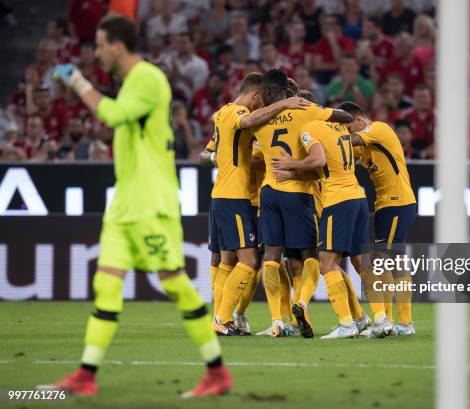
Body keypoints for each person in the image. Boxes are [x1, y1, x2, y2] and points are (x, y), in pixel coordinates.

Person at [42, 14, 231, 397]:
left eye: (99, 45)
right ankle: (86, 374)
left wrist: (77, 81)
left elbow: (112, 114)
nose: (96, 52)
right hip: (124, 206)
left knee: (175, 284)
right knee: (105, 283)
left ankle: (216, 371)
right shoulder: (132, 82)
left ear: (117, 45)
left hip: (150, 204)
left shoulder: (147, 78)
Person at [204, 72, 311, 335]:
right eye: (261, 99)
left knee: (240, 261)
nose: (262, 104)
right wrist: (284, 104)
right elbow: (247, 121)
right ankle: (222, 317)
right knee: (246, 261)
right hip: (234, 196)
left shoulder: (227, 114)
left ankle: (228, 318)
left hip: (232, 195)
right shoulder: (235, 111)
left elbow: (213, 147)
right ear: (254, 94)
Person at [250, 69, 352, 337]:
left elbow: (246, 123)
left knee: (272, 255)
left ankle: (277, 322)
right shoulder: (306, 110)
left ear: (270, 92)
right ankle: (301, 304)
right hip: (298, 191)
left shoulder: (260, 120)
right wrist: (316, 109)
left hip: (269, 191)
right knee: (308, 256)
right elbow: (346, 117)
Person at [270, 115, 367, 339]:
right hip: (355, 197)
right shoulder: (337, 129)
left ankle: (346, 322)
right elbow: (323, 169)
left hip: (336, 200)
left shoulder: (309, 127)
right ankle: (370, 317)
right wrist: (293, 172)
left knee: (326, 262)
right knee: (349, 262)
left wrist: (290, 163)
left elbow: (318, 161)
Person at [339, 101, 418, 337]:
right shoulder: (365, 144)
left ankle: (397, 322)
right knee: (394, 258)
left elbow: (349, 142)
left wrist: (329, 134)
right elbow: (342, 153)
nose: (348, 134)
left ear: (360, 120)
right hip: (387, 204)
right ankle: (399, 322)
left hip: (398, 202)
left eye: (349, 128)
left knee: (384, 258)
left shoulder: (379, 129)